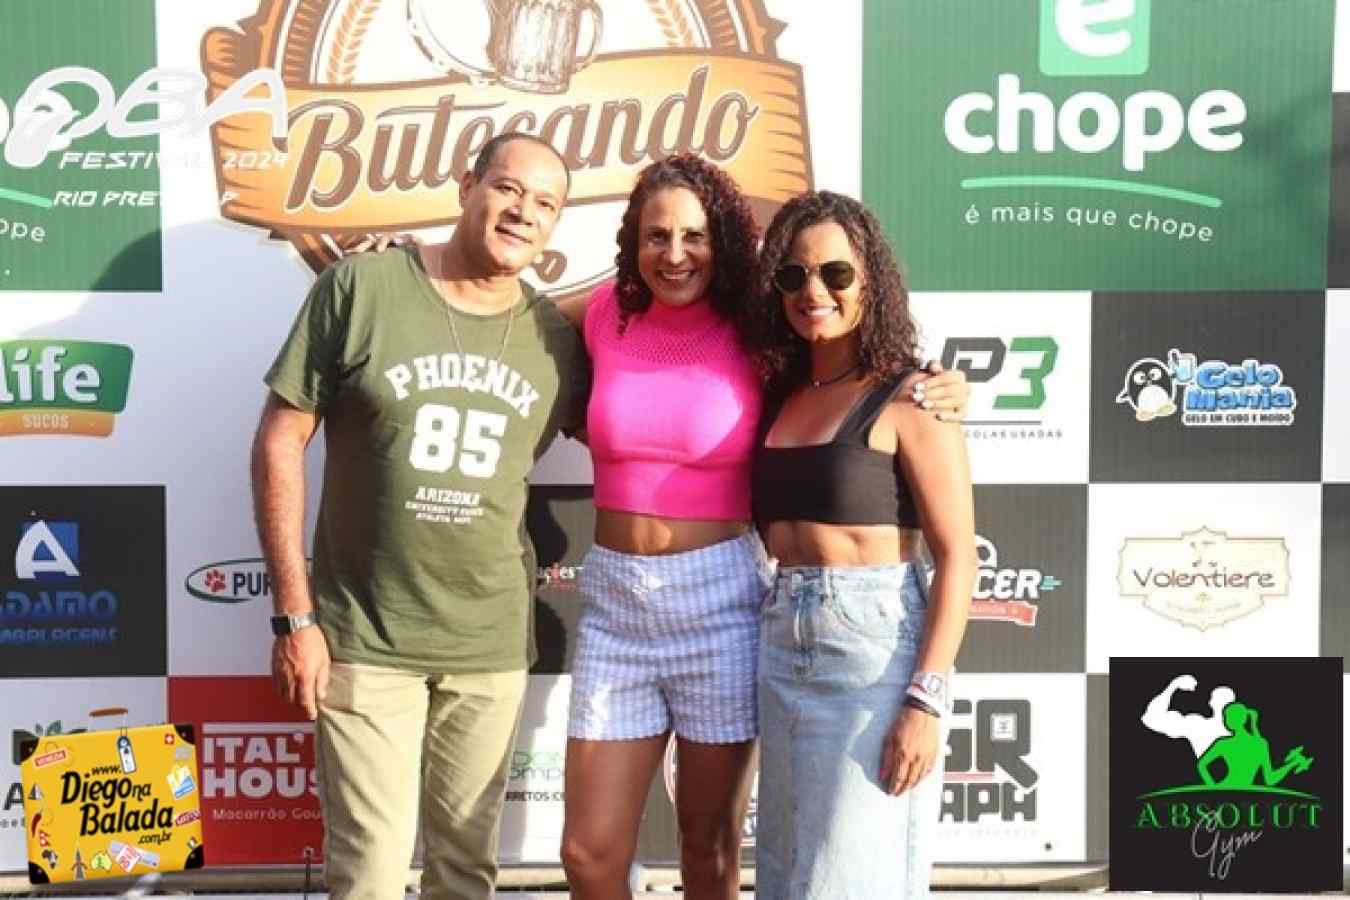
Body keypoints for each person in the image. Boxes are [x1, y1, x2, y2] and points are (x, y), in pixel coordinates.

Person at [552, 158, 970, 899]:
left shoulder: (763, 342)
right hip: (635, 605)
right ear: (632, 243)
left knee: (731, 848)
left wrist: (946, 386)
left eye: (695, 235)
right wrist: (422, 275)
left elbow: (952, 545)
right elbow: (512, 309)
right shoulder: (610, 313)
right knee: (596, 854)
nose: (674, 253)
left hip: (741, 605)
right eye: (656, 235)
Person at [251, 132, 589, 900]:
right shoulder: (362, 287)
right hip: (366, 638)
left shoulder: (555, 339)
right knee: (368, 874)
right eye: (508, 188)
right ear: (467, 186)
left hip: (490, 643)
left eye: (545, 203)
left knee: (465, 873)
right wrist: (294, 617)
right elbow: (279, 441)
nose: (523, 212)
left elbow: (645, 428)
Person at [746, 190, 976, 899]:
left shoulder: (913, 397)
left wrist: (926, 702)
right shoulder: (777, 393)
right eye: (793, 276)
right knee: (787, 875)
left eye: (835, 273)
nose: (813, 292)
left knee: (849, 880)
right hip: (779, 640)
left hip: (872, 653)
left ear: (871, 281)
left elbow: (958, 556)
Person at [1141, 674, 1237, 758]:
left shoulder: (1197, 726)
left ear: (1211, 703)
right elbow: (1151, 719)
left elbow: (1151, 718)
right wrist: (1174, 685)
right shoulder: (1198, 725)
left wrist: (1173, 686)